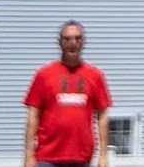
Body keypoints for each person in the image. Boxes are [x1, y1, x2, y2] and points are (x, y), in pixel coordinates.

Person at [22, 20, 112, 167]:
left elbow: (102, 117)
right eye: (67, 38)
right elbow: (33, 117)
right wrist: (28, 155)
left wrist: (103, 156)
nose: (73, 43)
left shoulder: (95, 76)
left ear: (84, 42)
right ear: (59, 42)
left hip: (81, 158)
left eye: (77, 38)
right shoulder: (43, 75)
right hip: (47, 157)